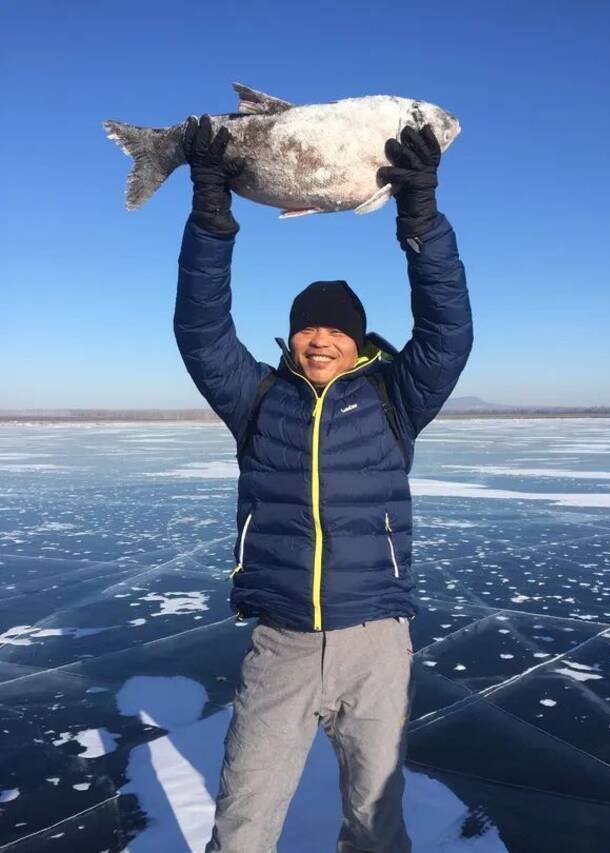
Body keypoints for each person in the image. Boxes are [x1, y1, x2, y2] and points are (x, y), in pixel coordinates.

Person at [174, 115, 473, 853]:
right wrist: (213, 220)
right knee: (242, 823)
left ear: (358, 339)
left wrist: (420, 218)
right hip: (281, 640)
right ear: (293, 335)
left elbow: (449, 333)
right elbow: (201, 332)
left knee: (376, 824)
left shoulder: (391, 398)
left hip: (376, 641)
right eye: (307, 326)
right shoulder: (258, 400)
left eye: (334, 328)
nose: (319, 337)